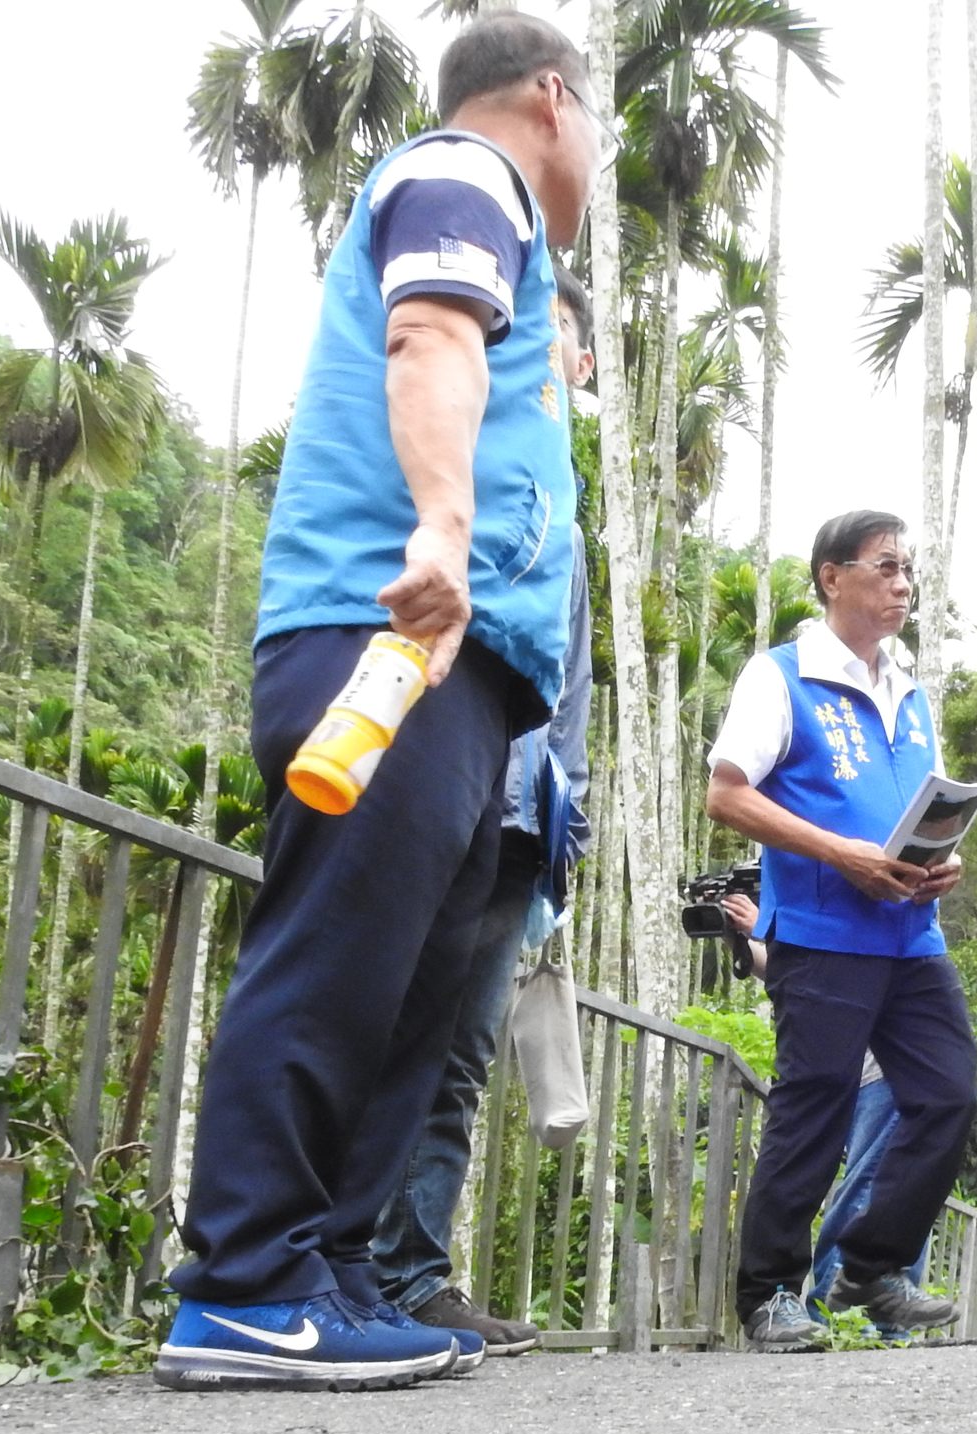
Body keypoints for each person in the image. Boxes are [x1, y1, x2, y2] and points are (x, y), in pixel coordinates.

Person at [156, 14, 602, 1392]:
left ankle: (331, 1275)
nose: (597, 152)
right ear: (549, 95)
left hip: (471, 671)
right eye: (597, 121)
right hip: (390, 632)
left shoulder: (494, 197)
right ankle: (242, 1281)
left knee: (407, 991)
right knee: (338, 958)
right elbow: (431, 340)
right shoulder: (468, 174)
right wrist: (444, 527)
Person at [367, 264, 600, 1358]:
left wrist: (567, 838)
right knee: (367, 1022)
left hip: (517, 822)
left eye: (548, 334)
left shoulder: (566, 523)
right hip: (418, 787)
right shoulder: (444, 464)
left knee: (456, 1055)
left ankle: (411, 1274)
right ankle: (322, 1261)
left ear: (580, 364)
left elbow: (572, 694)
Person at [703, 511, 974, 1351]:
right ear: (832, 576)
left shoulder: (912, 686)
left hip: (911, 933)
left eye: (908, 570)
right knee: (812, 1112)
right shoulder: (780, 676)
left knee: (948, 1093)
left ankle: (869, 1267)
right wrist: (838, 853)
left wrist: (941, 860)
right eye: (886, 567)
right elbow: (728, 793)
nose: (903, 584)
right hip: (823, 932)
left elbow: (910, 807)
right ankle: (769, 1294)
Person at [718, 889, 927, 1311]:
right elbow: (799, 973)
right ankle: (852, 1310)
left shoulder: (880, 905)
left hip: (885, 1069)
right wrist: (743, 941)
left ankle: (847, 1307)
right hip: (842, 1073)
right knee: (877, 1182)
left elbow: (848, 970)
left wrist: (766, 924)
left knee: (875, 1183)